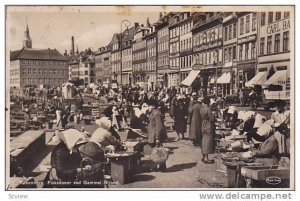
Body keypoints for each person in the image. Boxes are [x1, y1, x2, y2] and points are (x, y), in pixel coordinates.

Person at [200, 97, 216, 164]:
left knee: (204, 140)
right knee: (208, 141)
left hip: (203, 124)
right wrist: (214, 116)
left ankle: (203, 156)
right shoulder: (208, 109)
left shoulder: (201, 108)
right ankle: (206, 158)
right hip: (208, 125)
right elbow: (212, 119)